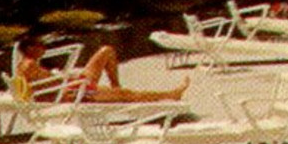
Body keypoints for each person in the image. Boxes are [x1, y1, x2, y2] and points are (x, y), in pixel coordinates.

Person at [17, 39, 188, 103]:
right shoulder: (29, 65)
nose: (44, 48)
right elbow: (48, 93)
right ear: (30, 48)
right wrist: (70, 80)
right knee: (127, 94)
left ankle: (115, 86)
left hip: (72, 85)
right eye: (40, 45)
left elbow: (44, 85)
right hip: (75, 92)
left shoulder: (26, 64)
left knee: (106, 51)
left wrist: (65, 77)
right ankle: (171, 95)